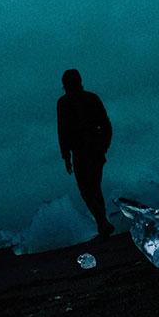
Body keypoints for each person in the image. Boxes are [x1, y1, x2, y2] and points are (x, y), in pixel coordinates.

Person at [56, 68, 115, 237]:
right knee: (95, 188)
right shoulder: (92, 98)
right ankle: (102, 224)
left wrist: (66, 156)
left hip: (81, 152)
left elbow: (62, 131)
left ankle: (102, 223)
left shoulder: (64, 102)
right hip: (95, 150)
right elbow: (106, 125)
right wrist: (103, 146)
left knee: (87, 190)